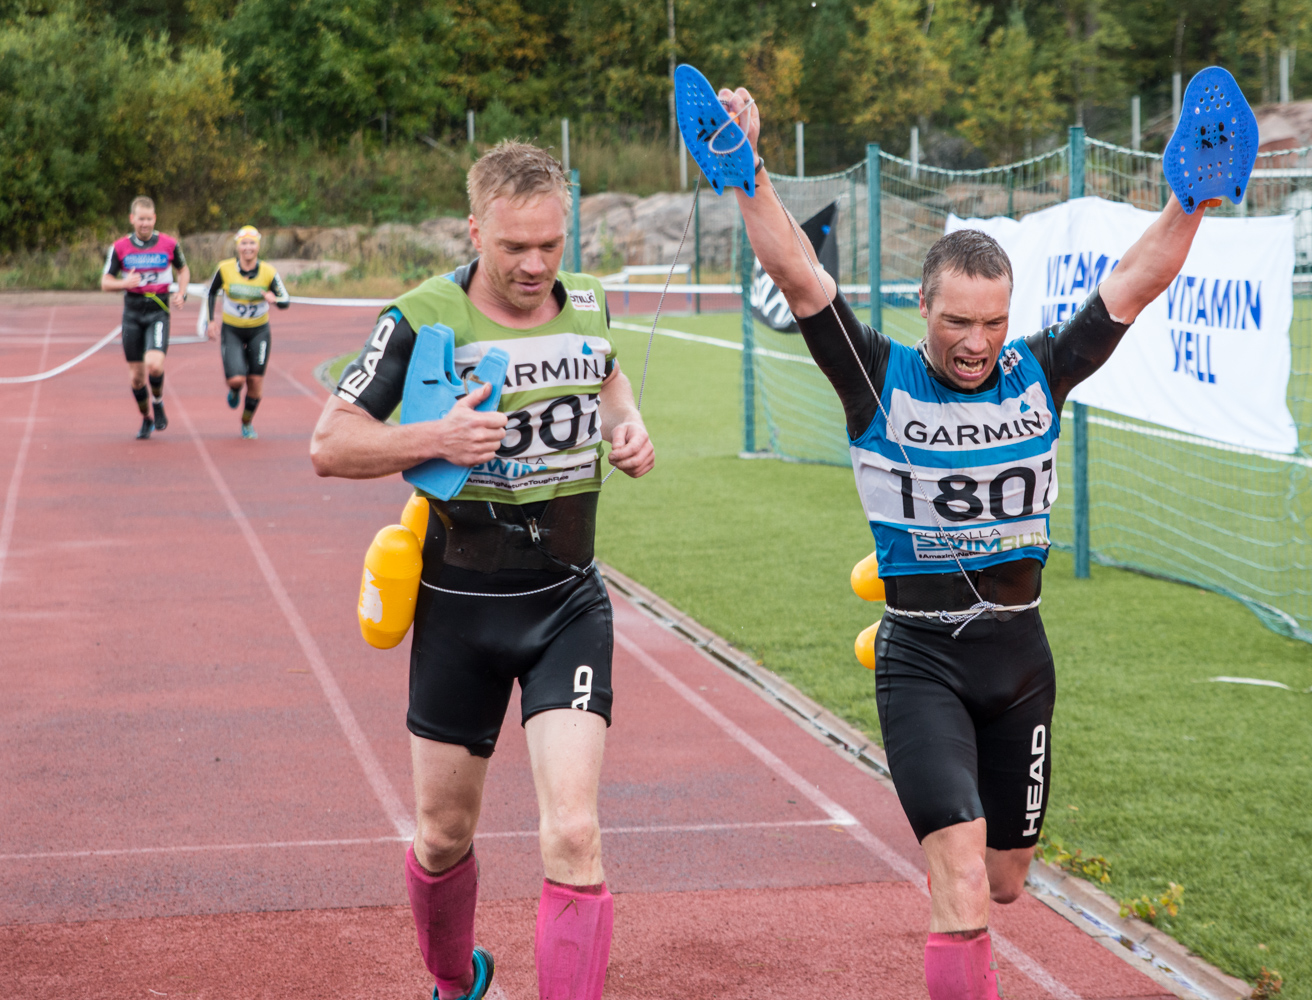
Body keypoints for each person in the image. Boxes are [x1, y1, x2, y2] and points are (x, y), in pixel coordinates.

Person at [720, 85, 1215, 999]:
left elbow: (1137, 282)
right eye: (958, 321)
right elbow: (798, 276)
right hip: (922, 666)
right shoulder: (878, 376)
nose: (978, 342)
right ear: (922, 307)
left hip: (1022, 659)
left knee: (1003, 882)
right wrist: (747, 175)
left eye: (993, 321)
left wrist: (1190, 198)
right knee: (959, 889)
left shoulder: (1040, 371)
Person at [310, 141, 655, 1000]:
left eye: (551, 244)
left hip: (568, 602)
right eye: (514, 249)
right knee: (441, 834)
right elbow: (331, 442)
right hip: (458, 606)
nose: (536, 265)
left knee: (574, 832)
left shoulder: (591, 305)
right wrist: (433, 438)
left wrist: (628, 427)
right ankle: (454, 978)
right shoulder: (422, 315)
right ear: (476, 231)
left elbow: (608, 379)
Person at [101, 196, 190, 439]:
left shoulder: (169, 244)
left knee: (154, 363)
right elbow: (105, 282)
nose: (145, 224)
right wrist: (124, 283)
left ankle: (158, 401)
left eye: (149, 219)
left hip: (158, 311)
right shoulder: (119, 247)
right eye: (141, 219)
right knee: (137, 378)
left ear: (155, 219)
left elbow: (183, 270)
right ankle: (146, 417)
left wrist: (182, 292)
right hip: (132, 313)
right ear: (132, 219)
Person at [205, 226, 290, 439]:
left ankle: (247, 422)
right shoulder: (225, 269)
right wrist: (211, 321)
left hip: (258, 332)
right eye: (244, 243)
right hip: (232, 330)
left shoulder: (268, 272)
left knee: (255, 383)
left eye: (252, 243)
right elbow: (211, 292)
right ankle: (234, 391)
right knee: (236, 380)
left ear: (258, 246)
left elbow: (285, 301)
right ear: (238, 247)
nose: (248, 247)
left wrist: (275, 300)